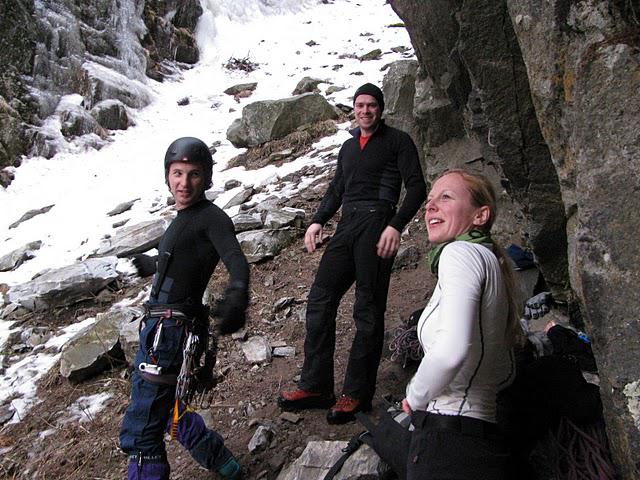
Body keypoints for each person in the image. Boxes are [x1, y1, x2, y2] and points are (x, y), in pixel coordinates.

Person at [278, 83, 427, 424]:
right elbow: (336, 189)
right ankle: (316, 386)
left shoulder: (398, 141)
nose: (365, 111)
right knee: (320, 299)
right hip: (348, 225)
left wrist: (396, 225)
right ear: (354, 109)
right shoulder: (347, 147)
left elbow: (417, 187)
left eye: (371, 105)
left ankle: (357, 394)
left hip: (378, 222)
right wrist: (317, 221)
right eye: (360, 105)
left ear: (381, 109)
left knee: (367, 309)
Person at [119, 137, 250, 480]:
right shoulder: (187, 217)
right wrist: (153, 264)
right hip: (164, 329)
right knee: (166, 409)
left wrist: (238, 293)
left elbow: (236, 259)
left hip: (169, 333)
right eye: (177, 173)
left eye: (194, 174)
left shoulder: (212, 218)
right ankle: (225, 464)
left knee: (142, 431)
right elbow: (187, 258)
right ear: (167, 176)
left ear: (206, 178)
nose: (184, 183)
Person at [401, 169, 521, 479]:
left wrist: (414, 396)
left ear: (480, 215)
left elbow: (450, 351)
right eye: (430, 200)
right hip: (482, 440)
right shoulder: (490, 261)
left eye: (446, 197)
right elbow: (507, 372)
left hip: (448, 441)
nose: (430, 206)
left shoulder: (459, 254)